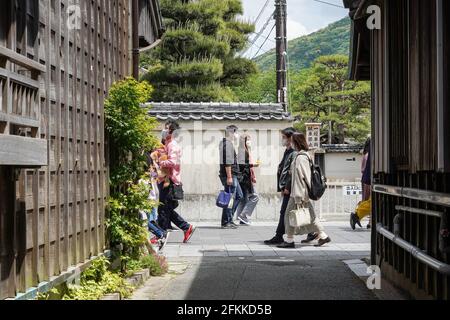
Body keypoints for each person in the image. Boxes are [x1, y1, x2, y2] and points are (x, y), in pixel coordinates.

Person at [277, 132, 331, 249]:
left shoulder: (301, 157)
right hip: (299, 192)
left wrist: (309, 192)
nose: (290, 143)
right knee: (310, 216)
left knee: (288, 215)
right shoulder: (302, 156)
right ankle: (323, 235)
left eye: (292, 141)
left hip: (299, 193)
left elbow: (306, 177)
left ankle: (289, 240)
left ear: (297, 142)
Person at [157, 121, 196, 243]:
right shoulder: (168, 144)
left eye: (166, 129)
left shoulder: (172, 145)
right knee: (165, 209)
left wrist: (160, 162)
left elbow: (172, 162)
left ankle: (161, 235)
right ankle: (184, 228)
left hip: (170, 181)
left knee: (163, 209)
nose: (164, 131)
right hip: (168, 180)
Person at [264, 127, 297, 245]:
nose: (282, 139)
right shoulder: (287, 151)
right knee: (293, 211)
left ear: (290, 138)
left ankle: (279, 235)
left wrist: (287, 186)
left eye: (284, 137)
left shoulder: (294, 153)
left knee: (285, 211)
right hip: (287, 188)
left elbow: (292, 172)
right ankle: (316, 233)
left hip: (292, 189)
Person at [219, 125, 243, 229]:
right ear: (231, 133)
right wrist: (229, 176)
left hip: (233, 175)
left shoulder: (227, 143)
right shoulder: (227, 144)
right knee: (230, 198)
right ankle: (226, 222)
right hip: (230, 175)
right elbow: (227, 162)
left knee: (239, 195)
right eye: (236, 132)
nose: (237, 135)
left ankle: (229, 218)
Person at [235, 134, 260, 226]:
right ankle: (243, 215)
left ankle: (242, 219)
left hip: (244, 179)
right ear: (244, 141)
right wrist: (253, 164)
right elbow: (245, 165)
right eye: (248, 140)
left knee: (244, 199)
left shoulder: (243, 150)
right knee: (255, 197)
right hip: (244, 179)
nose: (250, 142)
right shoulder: (242, 151)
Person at [351, 137, 372, 229]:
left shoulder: (365, 154)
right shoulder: (369, 155)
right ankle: (357, 215)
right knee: (369, 201)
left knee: (367, 200)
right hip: (368, 179)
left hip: (365, 178)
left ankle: (368, 220)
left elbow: (362, 169)